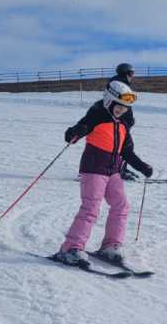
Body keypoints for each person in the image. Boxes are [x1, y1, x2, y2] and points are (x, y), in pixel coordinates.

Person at [54, 80, 153, 266]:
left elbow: (127, 152)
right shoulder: (96, 115)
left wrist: (142, 166)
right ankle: (71, 248)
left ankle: (111, 246)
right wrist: (76, 131)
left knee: (121, 206)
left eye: (125, 108)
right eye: (118, 106)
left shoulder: (123, 124)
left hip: (113, 171)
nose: (121, 110)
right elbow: (74, 134)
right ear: (109, 101)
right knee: (91, 208)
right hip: (93, 169)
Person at [107, 63, 139, 181]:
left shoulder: (120, 84)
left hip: (122, 121)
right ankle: (119, 170)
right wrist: (126, 119)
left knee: (123, 146)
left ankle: (121, 168)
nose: (132, 76)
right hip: (119, 121)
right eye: (131, 73)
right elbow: (119, 103)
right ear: (126, 73)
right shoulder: (118, 85)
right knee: (126, 146)